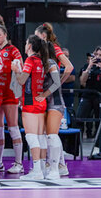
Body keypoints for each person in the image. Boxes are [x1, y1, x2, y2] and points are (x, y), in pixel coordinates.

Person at [11, 35, 49, 180]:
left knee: (32, 137)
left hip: (30, 102)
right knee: (40, 137)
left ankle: (37, 171)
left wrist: (15, 70)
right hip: (40, 102)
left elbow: (22, 80)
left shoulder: (31, 60)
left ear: (30, 46)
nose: (25, 45)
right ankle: (41, 169)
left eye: (26, 43)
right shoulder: (41, 61)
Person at [0, 25, 24, 174]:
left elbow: (21, 71)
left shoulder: (14, 51)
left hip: (11, 94)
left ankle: (19, 163)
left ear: (5, 35)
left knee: (13, 128)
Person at [35, 42, 65, 180]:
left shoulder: (51, 62)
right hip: (45, 104)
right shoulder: (40, 63)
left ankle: (55, 168)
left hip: (55, 103)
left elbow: (57, 83)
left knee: (52, 136)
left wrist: (43, 95)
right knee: (45, 136)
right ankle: (45, 167)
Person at [78, 46, 101, 138]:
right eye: (96, 54)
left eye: (100, 55)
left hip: (99, 96)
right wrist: (89, 67)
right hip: (87, 95)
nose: (97, 57)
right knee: (79, 117)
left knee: (99, 120)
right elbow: (82, 81)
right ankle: (78, 141)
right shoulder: (86, 66)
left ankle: (98, 144)